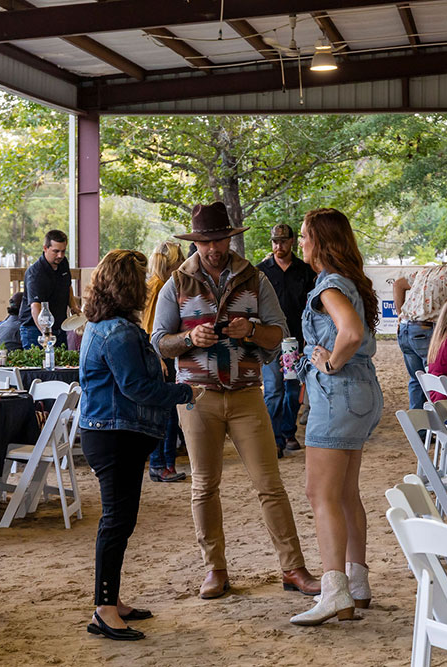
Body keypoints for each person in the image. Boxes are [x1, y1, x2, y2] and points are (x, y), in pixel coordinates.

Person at [150, 202, 318, 600]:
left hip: (246, 394)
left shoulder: (254, 278)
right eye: (205, 242)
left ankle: (293, 567)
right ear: (196, 242)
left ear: (230, 237)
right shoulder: (176, 283)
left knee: (270, 485)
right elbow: (159, 341)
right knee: (204, 486)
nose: (213, 248)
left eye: (219, 239)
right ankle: (215, 570)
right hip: (196, 396)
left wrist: (251, 330)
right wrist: (190, 339)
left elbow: (278, 335)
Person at [79, 249, 200, 642]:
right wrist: (184, 391)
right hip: (115, 437)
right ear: (129, 287)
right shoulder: (118, 332)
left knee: (122, 520)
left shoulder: (102, 325)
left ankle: (112, 600)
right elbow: (136, 387)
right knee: (116, 521)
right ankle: (103, 609)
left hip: (112, 434)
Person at [290, 208, 383, 626]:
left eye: (307, 237)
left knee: (320, 493)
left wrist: (328, 364)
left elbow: (351, 332)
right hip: (362, 392)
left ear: (322, 242)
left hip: (337, 394)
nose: (301, 244)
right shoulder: (351, 282)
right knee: (346, 493)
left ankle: (334, 591)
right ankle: (357, 582)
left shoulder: (328, 285)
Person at [257, 224, 318, 457]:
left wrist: (307, 340)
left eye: (282, 241)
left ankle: (288, 432)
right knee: (273, 390)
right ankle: (273, 439)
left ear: (292, 241)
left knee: (292, 389)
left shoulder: (305, 271)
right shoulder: (261, 271)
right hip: (270, 340)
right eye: (274, 242)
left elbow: (312, 308)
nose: (278, 246)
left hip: (295, 340)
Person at [393, 253, 447, 410]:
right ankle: (440, 423)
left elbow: (398, 284)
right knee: (436, 380)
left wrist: (400, 314)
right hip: (426, 330)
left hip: (405, 329)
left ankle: (420, 428)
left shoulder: (427, 270)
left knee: (417, 379)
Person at [143, 240, 188, 483]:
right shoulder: (159, 286)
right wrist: (157, 357)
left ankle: (167, 463)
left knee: (169, 413)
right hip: (161, 358)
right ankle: (161, 464)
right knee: (166, 414)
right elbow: (149, 328)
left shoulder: (161, 285)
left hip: (165, 356)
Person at [18, 230, 82, 350]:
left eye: (63, 251)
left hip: (60, 325)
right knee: (39, 367)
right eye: (56, 251)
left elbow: (67, 286)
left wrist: (73, 306)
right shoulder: (35, 273)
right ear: (45, 248)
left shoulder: (63, 263)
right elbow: (35, 307)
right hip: (34, 328)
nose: (60, 255)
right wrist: (46, 333)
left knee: (62, 365)